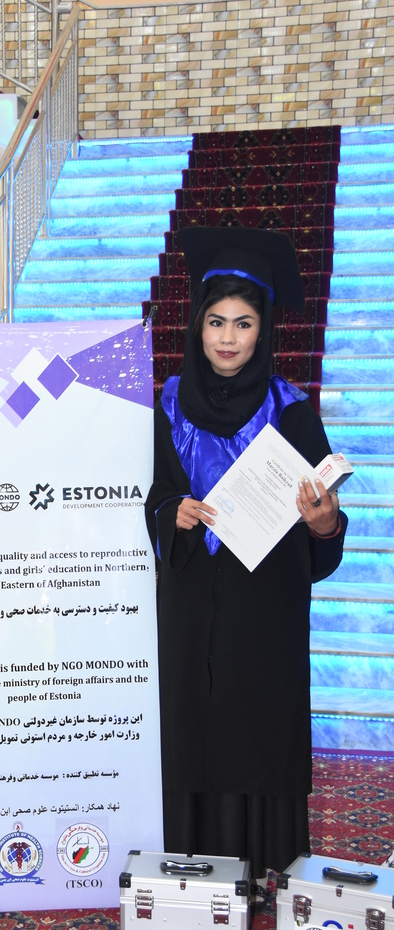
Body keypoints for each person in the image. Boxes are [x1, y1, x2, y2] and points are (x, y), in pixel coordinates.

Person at [145, 229, 347, 895]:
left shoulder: (293, 412)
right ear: (197, 325)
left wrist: (324, 522)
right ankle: (192, 873)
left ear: (263, 331)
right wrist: (170, 512)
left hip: (266, 608)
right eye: (216, 322)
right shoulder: (167, 403)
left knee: (261, 730)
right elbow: (153, 494)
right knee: (192, 727)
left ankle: (268, 870)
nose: (228, 338)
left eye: (243, 323)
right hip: (191, 607)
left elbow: (325, 522)